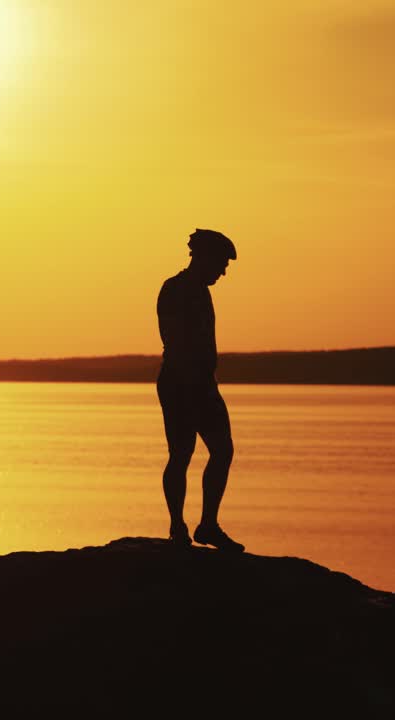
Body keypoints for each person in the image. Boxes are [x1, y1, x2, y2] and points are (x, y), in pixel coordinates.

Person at [155, 228, 243, 552]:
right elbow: (175, 341)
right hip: (181, 384)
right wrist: (192, 384)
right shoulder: (175, 289)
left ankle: (208, 525)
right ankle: (178, 526)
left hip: (204, 385)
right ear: (202, 257)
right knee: (181, 454)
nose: (222, 271)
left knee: (223, 450)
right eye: (220, 264)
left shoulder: (201, 291)